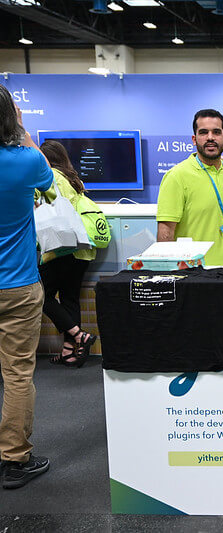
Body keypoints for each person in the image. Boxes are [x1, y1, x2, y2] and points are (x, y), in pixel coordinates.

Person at [0, 86, 54, 489]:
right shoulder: (26, 159)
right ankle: (15, 459)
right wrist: (19, 129)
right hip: (18, 285)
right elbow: (48, 182)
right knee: (17, 374)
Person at [157, 109, 223, 265]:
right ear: (194, 139)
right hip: (198, 274)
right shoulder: (177, 176)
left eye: (216, 132)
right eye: (203, 132)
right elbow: (166, 232)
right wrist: (168, 273)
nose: (210, 138)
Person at [37, 140, 98, 367]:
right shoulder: (73, 178)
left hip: (60, 247)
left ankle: (78, 335)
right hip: (80, 250)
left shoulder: (49, 176)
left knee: (42, 295)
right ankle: (71, 351)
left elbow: (42, 206)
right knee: (70, 298)